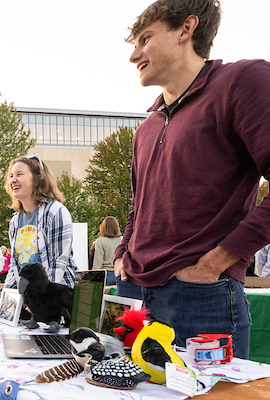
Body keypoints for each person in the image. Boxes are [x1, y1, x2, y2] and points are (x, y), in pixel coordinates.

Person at [114, 0, 270, 359]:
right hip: (138, 298)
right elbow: (139, 209)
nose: (133, 54)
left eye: (145, 38)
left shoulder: (241, 82)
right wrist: (123, 253)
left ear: (186, 29)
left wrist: (216, 263)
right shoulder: (145, 129)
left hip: (203, 297)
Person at [3, 153, 77, 289]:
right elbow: (15, 268)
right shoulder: (15, 221)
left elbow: (58, 265)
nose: (13, 180)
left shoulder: (55, 212)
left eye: (19, 174)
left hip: (55, 299)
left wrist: (41, 300)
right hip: (29, 300)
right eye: (11, 176)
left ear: (37, 179)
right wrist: (6, 302)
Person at [93, 216, 123, 286]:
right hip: (120, 274)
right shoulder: (123, 240)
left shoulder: (100, 241)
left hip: (106, 275)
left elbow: (97, 264)